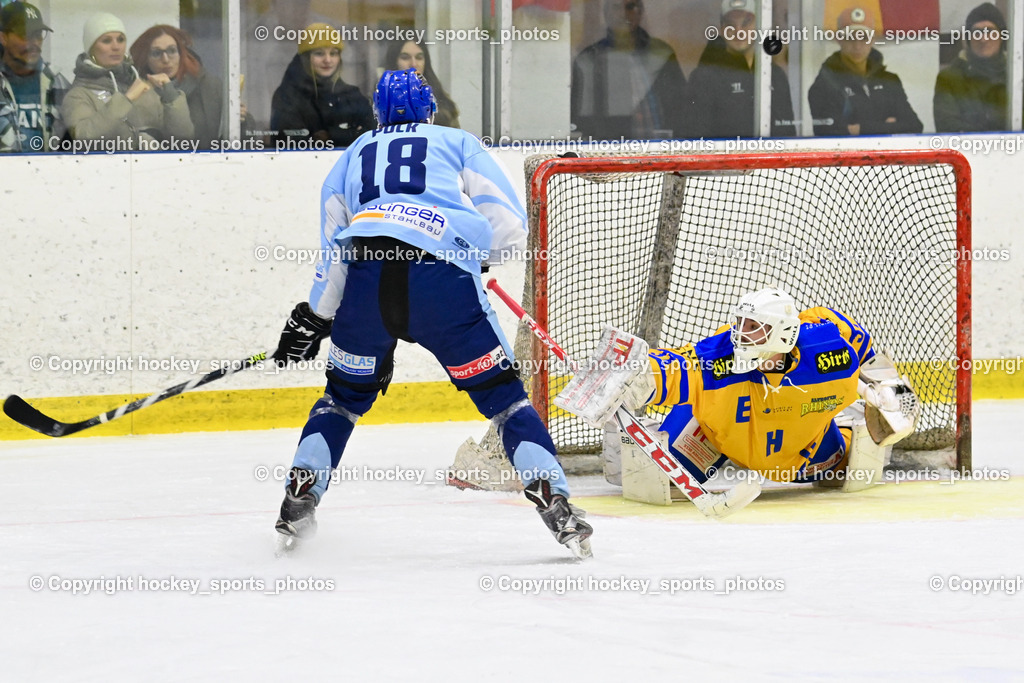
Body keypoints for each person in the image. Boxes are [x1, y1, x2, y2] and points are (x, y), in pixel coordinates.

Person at [269, 69, 593, 559]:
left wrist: (316, 316)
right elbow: (508, 224)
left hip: (367, 285)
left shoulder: (353, 154)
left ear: (376, 114)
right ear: (431, 111)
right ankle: (555, 502)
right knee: (506, 402)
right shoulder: (455, 141)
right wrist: (474, 258)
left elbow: (334, 251)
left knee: (340, 401)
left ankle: (300, 496)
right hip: (440, 283)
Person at [563, 287, 920, 493]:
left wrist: (891, 395)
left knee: (846, 470)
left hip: (800, 451)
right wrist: (624, 379)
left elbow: (876, 365)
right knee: (648, 480)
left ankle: (845, 423)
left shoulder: (831, 344)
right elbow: (672, 368)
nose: (740, 336)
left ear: (782, 333)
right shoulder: (720, 358)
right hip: (718, 436)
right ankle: (647, 438)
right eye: (740, 325)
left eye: (753, 328)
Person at [62, 13, 194, 149]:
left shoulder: (145, 89)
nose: (116, 47)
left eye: (121, 39)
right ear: (91, 49)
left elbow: (183, 141)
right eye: (106, 41)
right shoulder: (79, 95)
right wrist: (126, 100)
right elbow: (81, 140)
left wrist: (171, 98)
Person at [571, 0, 688, 140]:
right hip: (613, 154)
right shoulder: (590, 59)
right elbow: (582, 120)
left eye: (631, 7)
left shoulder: (662, 54)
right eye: (616, 7)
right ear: (606, 13)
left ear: (641, 13)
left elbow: (682, 108)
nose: (624, 14)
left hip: (663, 152)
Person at [808, 6, 922, 137]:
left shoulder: (890, 81)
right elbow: (830, 133)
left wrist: (858, 129)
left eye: (864, 38)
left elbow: (915, 126)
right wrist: (889, 126)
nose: (857, 46)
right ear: (839, 39)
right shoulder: (824, 84)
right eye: (850, 38)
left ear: (873, 40)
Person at [688, 0, 796, 137]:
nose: (738, 31)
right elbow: (694, 144)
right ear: (722, 29)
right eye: (730, 25)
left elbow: (789, 137)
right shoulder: (703, 78)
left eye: (746, 23)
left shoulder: (776, 75)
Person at [270, 23, 374, 148]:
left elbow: (371, 133)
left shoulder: (351, 95)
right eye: (319, 53)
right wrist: (349, 133)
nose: (328, 60)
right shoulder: (287, 96)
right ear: (306, 58)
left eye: (333, 53)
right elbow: (289, 140)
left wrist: (331, 135)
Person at [130, 24, 223, 150]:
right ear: (145, 58)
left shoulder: (209, 85)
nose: (166, 59)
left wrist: (241, 121)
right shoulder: (138, 92)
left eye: (172, 50)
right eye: (156, 53)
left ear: (181, 53)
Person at [0, 1, 69, 152]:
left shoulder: (57, 82)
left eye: (37, 35)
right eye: (25, 35)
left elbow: (71, 148)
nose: (34, 43)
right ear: (3, 38)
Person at [934, 2, 1007, 133]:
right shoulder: (949, 78)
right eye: (977, 32)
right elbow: (947, 126)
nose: (983, 39)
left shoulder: (1016, 75)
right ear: (968, 38)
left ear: (1002, 36)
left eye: (989, 31)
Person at [384, 39, 460, 128]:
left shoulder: (442, 103)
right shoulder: (380, 100)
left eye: (419, 58)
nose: (413, 64)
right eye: (405, 57)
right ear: (394, 61)